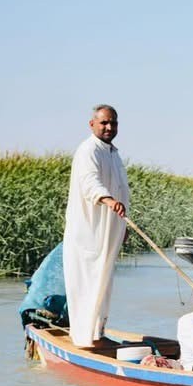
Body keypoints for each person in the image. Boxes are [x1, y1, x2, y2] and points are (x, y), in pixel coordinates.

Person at [62, 104, 130, 347]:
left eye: (113, 123)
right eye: (104, 123)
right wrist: (109, 201)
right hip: (89, 234)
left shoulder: (113, 153)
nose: (109, 127)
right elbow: (90, 183)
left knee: (103, 283)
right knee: (87, 284)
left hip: (109, 232)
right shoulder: (88, 150)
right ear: (92, 124)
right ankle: (83, 339)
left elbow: (122, 190)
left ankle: (97, 334)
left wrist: (124, 227)